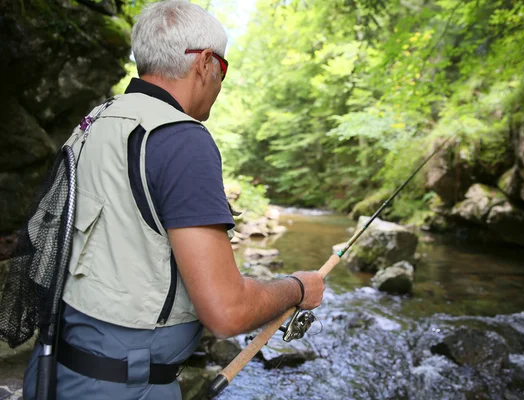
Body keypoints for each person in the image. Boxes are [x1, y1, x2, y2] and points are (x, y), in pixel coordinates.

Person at [22, 1, 325, 399]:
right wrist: (297, 288)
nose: (221, 82)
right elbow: (226, 311)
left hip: (52, 370)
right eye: (223, 69)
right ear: (204, 63)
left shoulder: (96, 120)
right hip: (124, 388)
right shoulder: (182, 141)